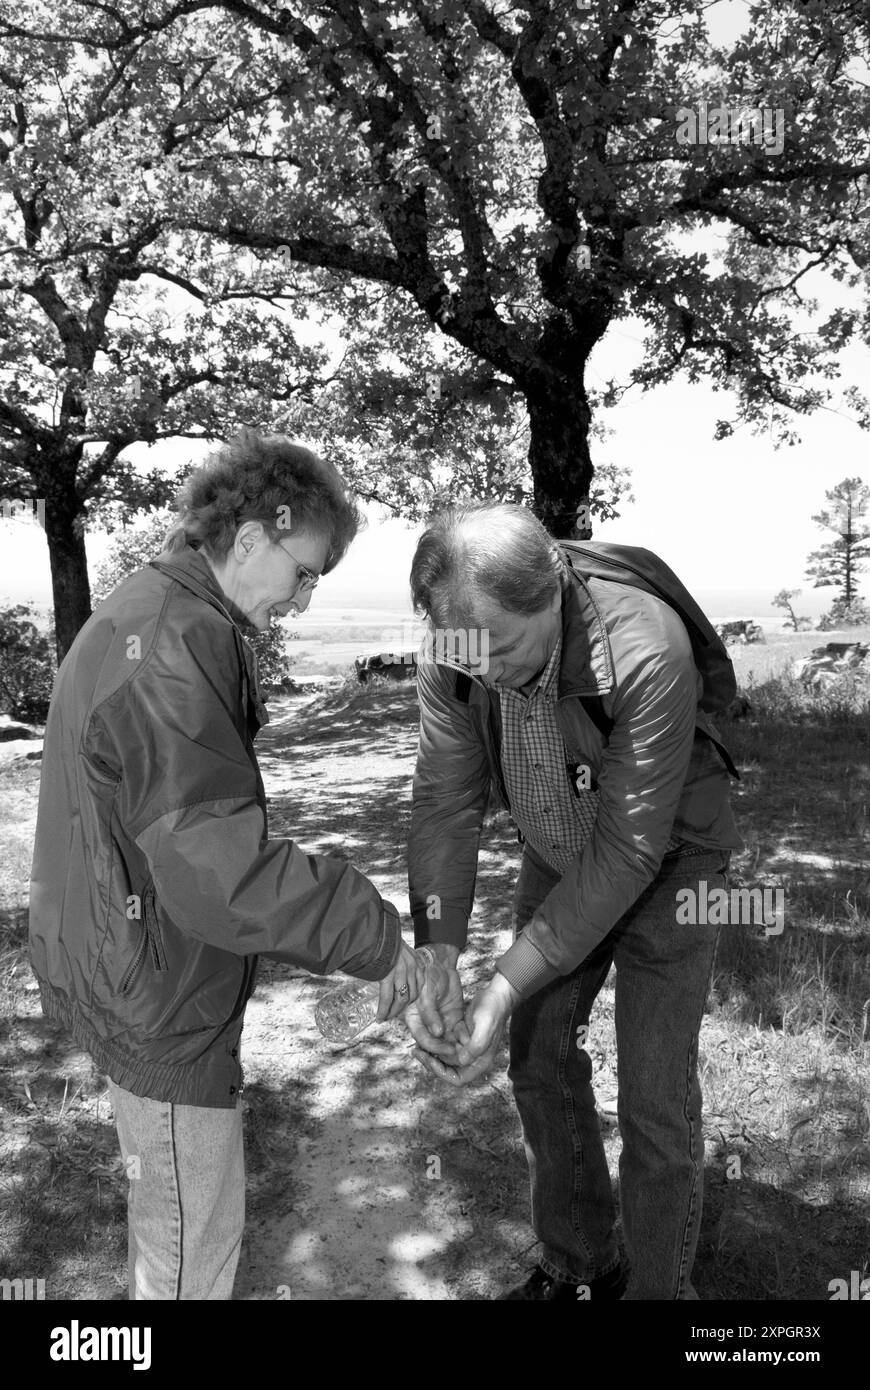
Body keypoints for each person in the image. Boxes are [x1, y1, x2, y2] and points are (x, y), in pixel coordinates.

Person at [28, 431, 434, 1301]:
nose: (305, 599)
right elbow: (219, 870)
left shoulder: (160, 606)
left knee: (173, 1235)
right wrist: (376, 936)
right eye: (304, 573)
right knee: (188, 1261)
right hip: (157, 994)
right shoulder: (175, 644)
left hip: (131, 959)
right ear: (252, 539)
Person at [403, 502, 741, 1301]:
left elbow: (629, 851)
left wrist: (506, 980)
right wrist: (441, 952)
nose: (486, 673)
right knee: (538, 1060)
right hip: (559, 854)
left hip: (673, 867)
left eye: (506, 650)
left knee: (655, 1101)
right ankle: (578, 1265)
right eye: (471, 657)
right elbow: (444, 803)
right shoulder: (461, 646)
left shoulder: (644, 647)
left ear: (553, 589)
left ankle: (660, 1294)